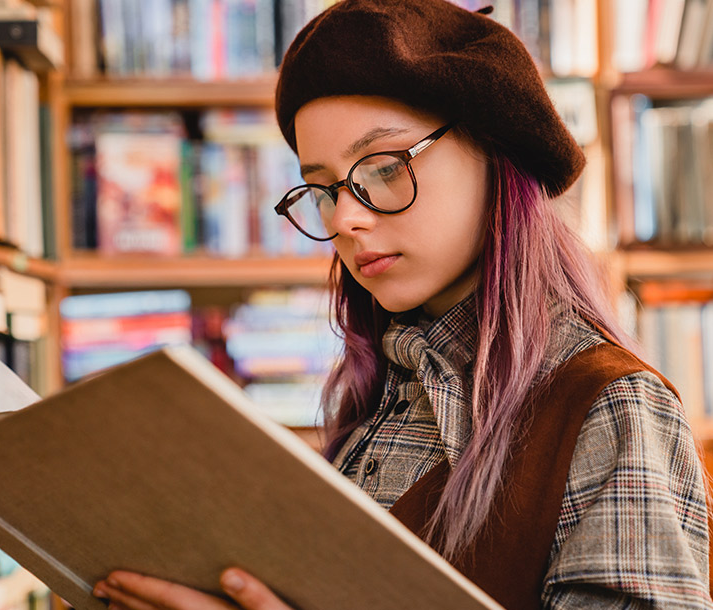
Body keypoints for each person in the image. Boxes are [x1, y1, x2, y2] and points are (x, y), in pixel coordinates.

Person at [92, 1, 713, 608]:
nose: (347, 219)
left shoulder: (608, 405)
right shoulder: (376, 398)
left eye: (384, 167)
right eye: (322, 189)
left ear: (498, 158)